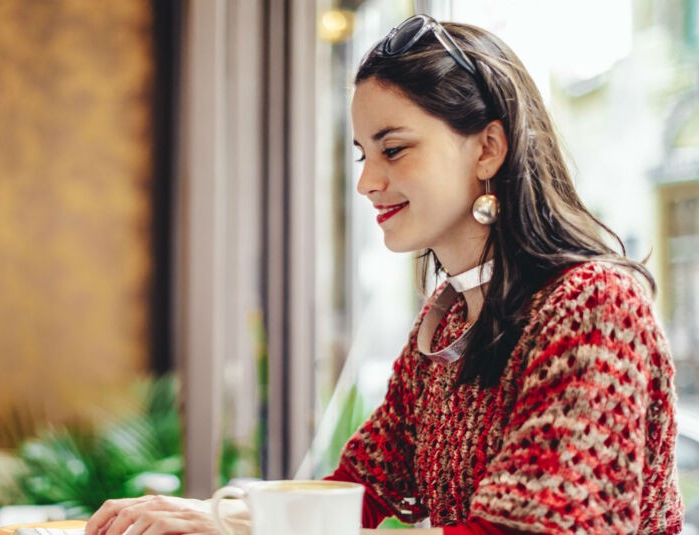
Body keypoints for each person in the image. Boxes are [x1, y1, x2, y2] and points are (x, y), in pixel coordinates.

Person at [84, 14, 684, 535]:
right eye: (361, 153)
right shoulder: (448, 316)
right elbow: (361, 486)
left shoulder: (594, 305)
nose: (366, 182)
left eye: (393, 149)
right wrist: (213, 517)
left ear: (488, 149)